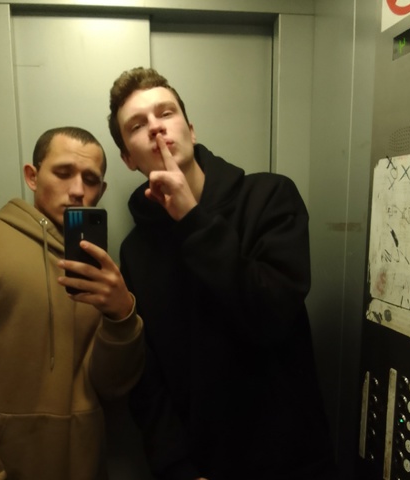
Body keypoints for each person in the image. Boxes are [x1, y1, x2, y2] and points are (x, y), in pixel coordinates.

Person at [107, 67, 337, 480]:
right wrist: (176, 466)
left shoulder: (269, 197)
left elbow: (270, 314)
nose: (156, 127)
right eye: (137, 125)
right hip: (201, 467)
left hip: (293, 461)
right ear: (128, 158)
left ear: (191, 130)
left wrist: (192, 219)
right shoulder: (136, 250)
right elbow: (147, 376)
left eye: (166, 113)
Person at [0, 126, 145, 480]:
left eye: (91, 179)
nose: (78, 189)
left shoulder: (102, 274)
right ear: (32, 176)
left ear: (101, 190)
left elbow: (112, 388)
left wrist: (121, 315)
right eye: (63, 173)